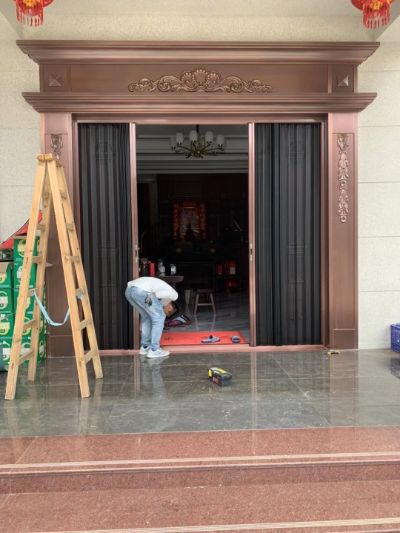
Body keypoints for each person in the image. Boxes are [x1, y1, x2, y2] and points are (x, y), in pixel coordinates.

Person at [125, 276, 179, 358]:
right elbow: (155, 295)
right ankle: (154, 350)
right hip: (141, 291)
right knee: (159, 317)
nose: (166, 313)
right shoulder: (175, 295)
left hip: (129, 291)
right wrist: (160, 312)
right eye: (169, 312)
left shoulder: (164, 300)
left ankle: (145, 347)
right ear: (171, 308)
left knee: (147, 316)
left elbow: (155, 301)